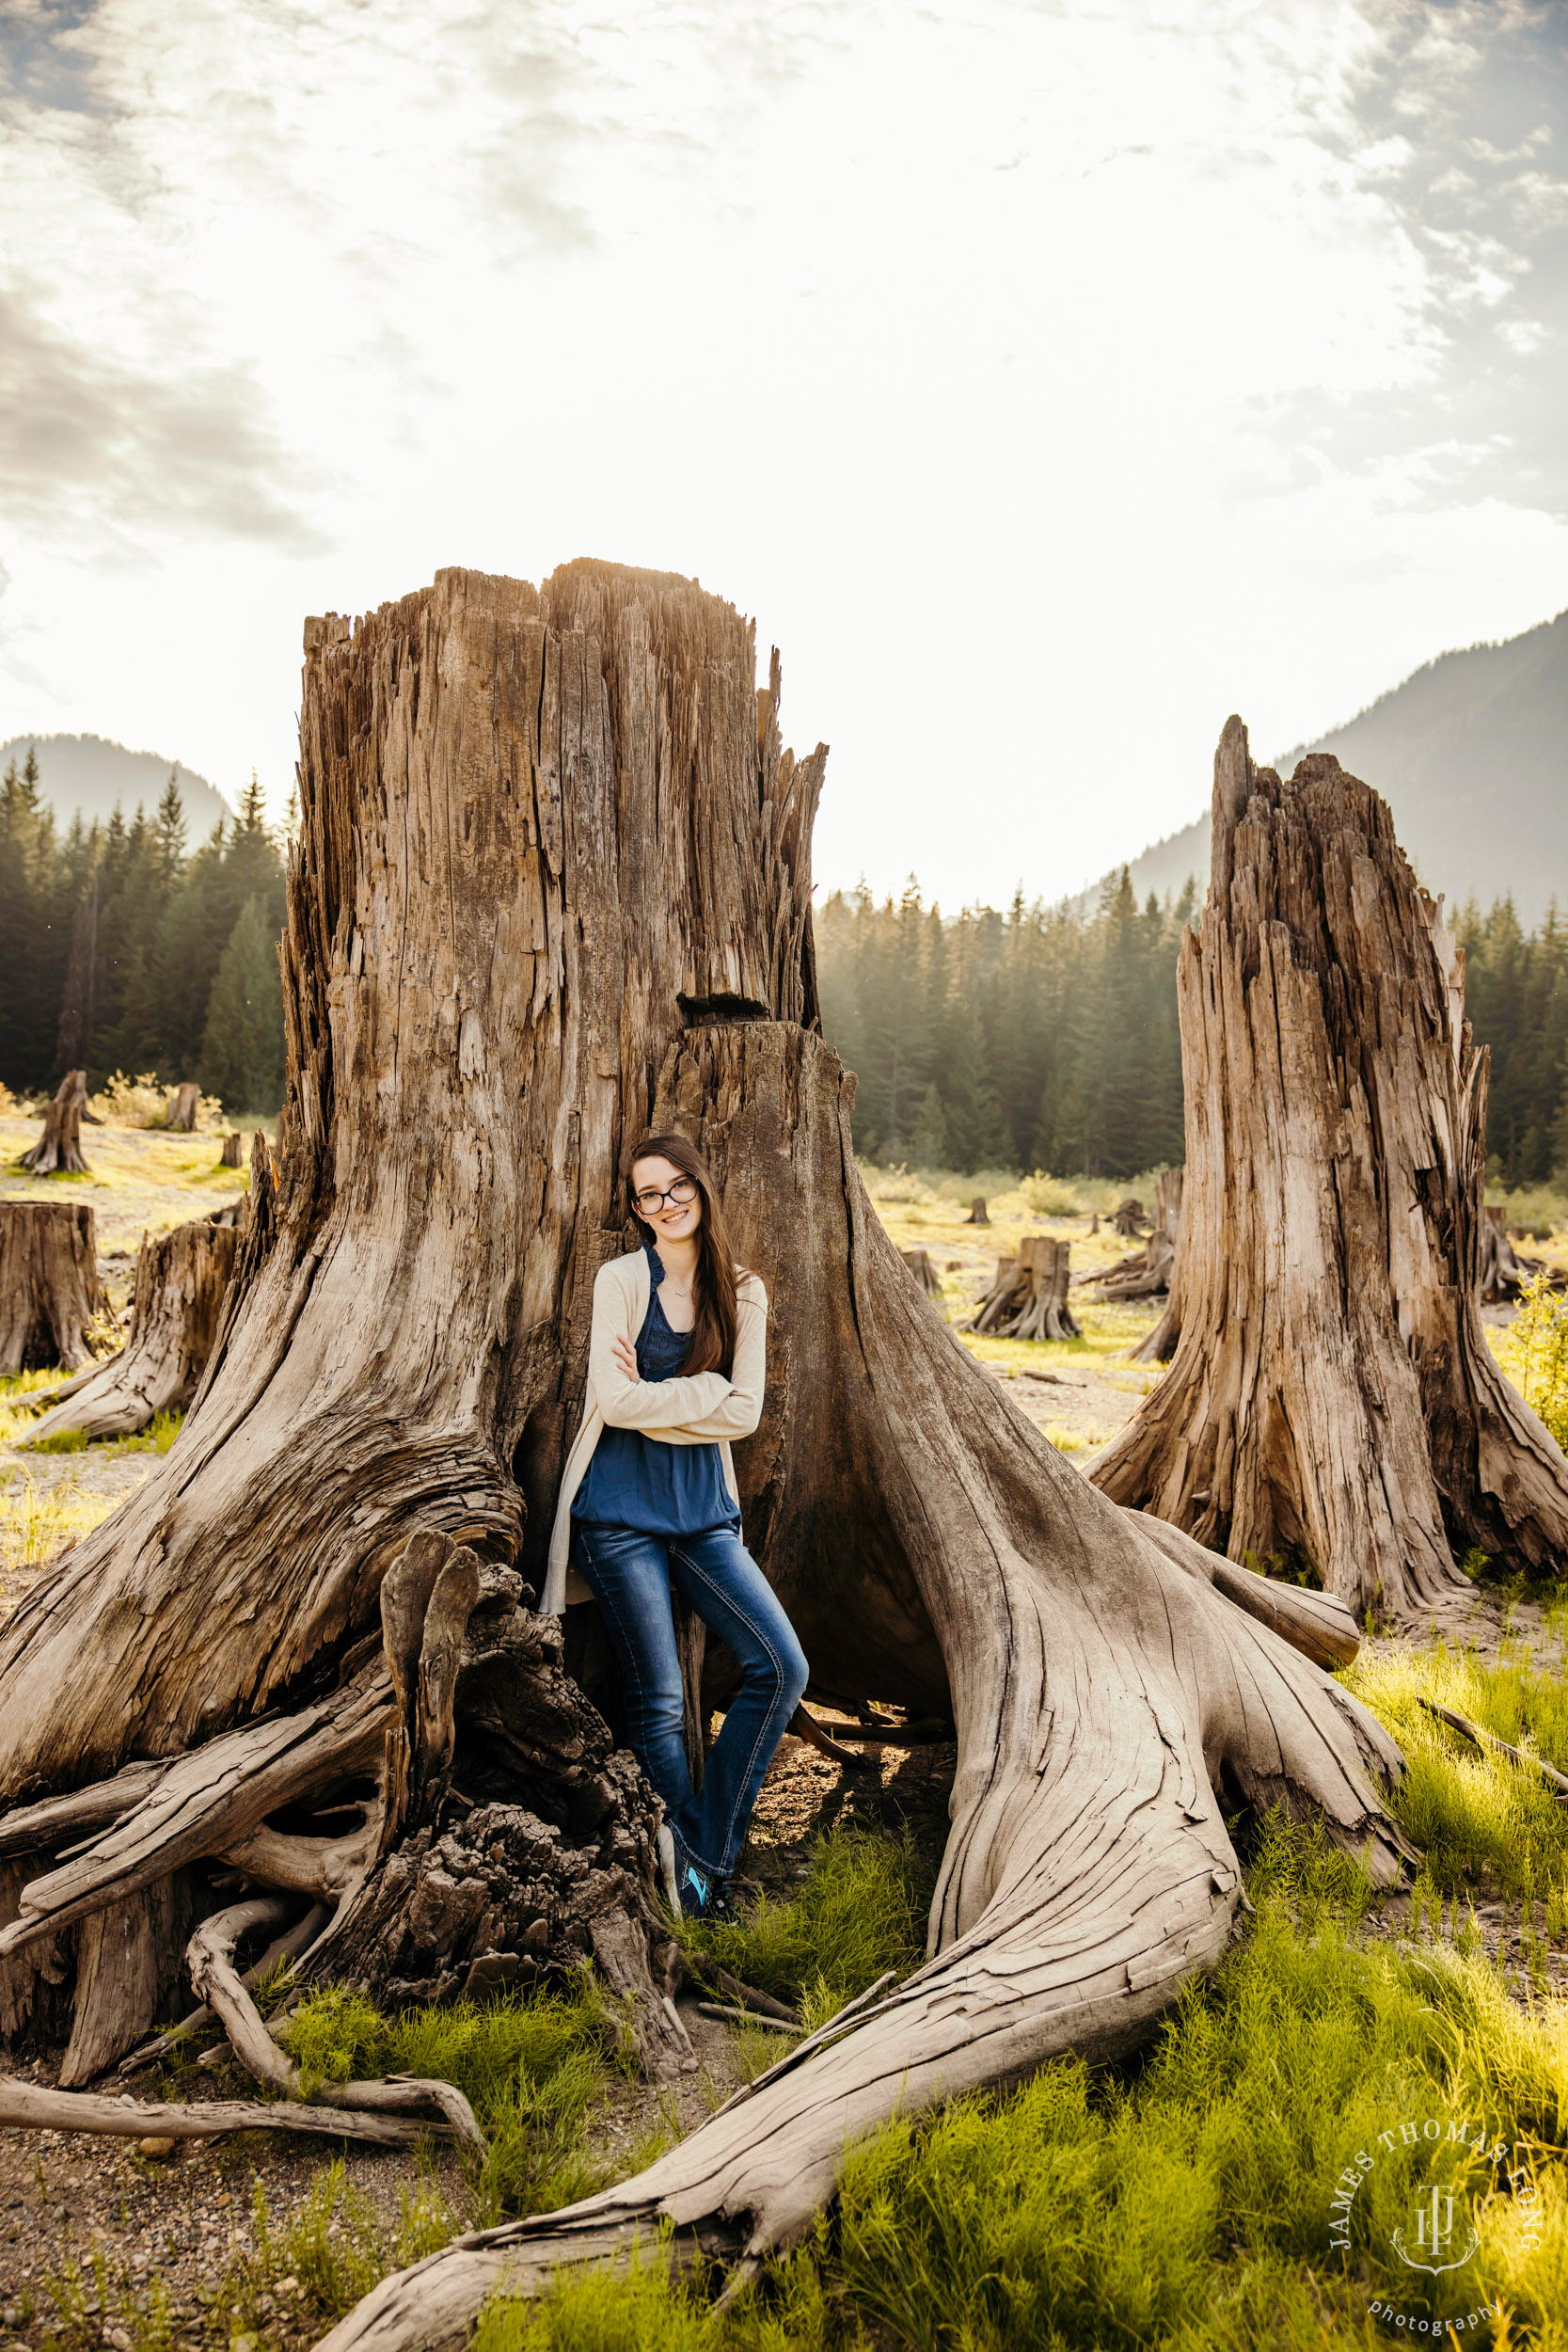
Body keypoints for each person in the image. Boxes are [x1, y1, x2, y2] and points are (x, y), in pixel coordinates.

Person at [543, 1133, 808, 1917]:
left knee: (781, 1667)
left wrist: (678, 1399)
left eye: (675, 1186)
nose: (664, 1204)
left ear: (701, 1186)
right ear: (635, 1209)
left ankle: (702, 1845)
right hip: (618, 1508)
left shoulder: (744, 1289)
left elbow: (748, 1412)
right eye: (646, 1194)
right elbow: (613, 1404)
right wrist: (707, 1395)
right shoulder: (620, 1280)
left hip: (700, 1513)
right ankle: (689, 1887)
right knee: (657, 1697)